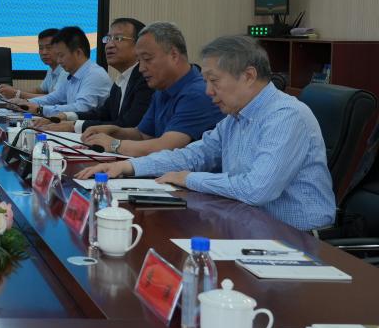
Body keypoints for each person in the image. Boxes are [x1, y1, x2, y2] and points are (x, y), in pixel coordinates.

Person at [77, 35, 334, 231]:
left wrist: (189, 179)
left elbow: (256, 190)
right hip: (247, 224)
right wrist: (128, 167)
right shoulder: (235, 117)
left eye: (214, 81)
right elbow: (192, 156)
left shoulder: (286, 116)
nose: (208, 91)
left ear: (248, 76)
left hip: (296, 238)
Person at [80, 22, 223, 157]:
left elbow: (166, 147)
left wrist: (114, 144)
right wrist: (115, 132)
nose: (141, 68)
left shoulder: (198, 93)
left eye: (147, 59)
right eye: (139, 61)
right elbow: (143, 135)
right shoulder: (162, 88)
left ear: (174, 55)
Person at [34, 17, 153, 133]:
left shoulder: (145, 80)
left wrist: (75, 126)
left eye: (118, 38)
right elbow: (103, 113)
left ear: (139, 45)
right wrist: (66, 116)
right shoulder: (122, 79)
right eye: (108, 39)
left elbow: (128, 125)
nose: (109, 45)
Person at [17, 26, 112, 116]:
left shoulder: (95, 75)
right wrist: (26, 102)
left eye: (61, 55)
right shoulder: (72, 74)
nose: (58, 61)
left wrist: (40, 109)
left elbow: (81, 108)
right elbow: (55, 97)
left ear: (78, 53)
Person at [0, 27, 65, 100]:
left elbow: (53, 99)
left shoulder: (65, 71)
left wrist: (17, 93)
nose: (44, 52)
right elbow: (39, 91)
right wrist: (13, 91)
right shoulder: (51, 69)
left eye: (49, 48)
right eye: (41, 48)